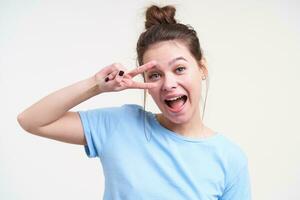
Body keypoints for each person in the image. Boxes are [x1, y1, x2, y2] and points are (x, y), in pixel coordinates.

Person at [17, 4, 251, 200]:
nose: (168, 84)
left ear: (202, 68)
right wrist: (96, 86)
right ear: (144, 82)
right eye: (155, 75)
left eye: (179, 68)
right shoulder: (121, 125)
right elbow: (32, 120)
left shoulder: (230, 159)